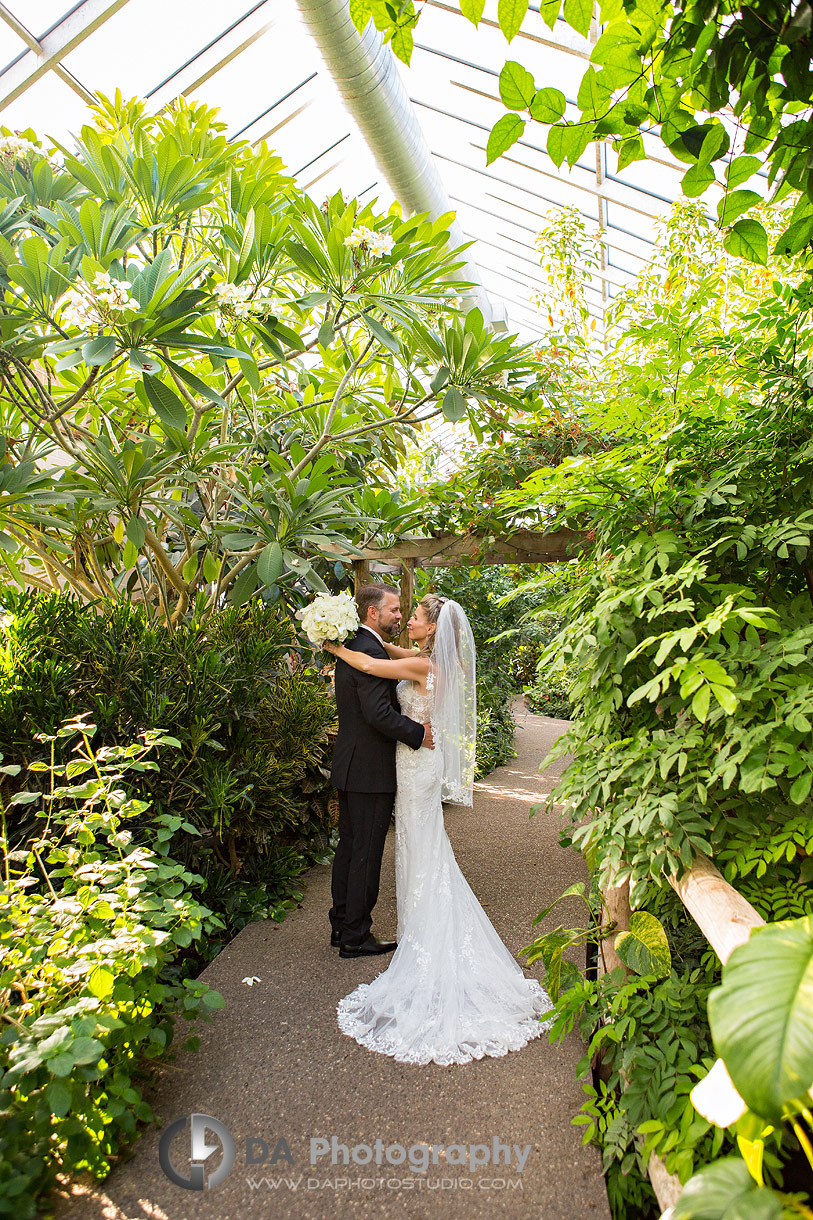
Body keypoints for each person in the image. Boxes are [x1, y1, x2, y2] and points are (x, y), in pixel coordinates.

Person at [323, 594, 553, 1066]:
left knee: (420, 845)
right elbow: (381, 651)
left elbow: (368, 663)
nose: (406, 620)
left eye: (414, 617)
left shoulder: (424, 667)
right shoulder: (423, 659)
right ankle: (406, 926)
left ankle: (422, 929)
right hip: (414, 765)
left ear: (431, 630)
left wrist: (335, 648)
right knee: (417, 845)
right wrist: (350, 634)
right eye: (400, 614)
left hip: (415, 767)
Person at [329, 584, 435, 959]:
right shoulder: (368, 648)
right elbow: (378, 714)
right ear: (372, 613)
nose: (399, 615)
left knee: (349, 849)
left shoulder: (359, 645)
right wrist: (418, 734)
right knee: (364, 854)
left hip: (351, 764)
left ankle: (342, 924)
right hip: (369, 771)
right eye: (393, 609)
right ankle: (356, 936)